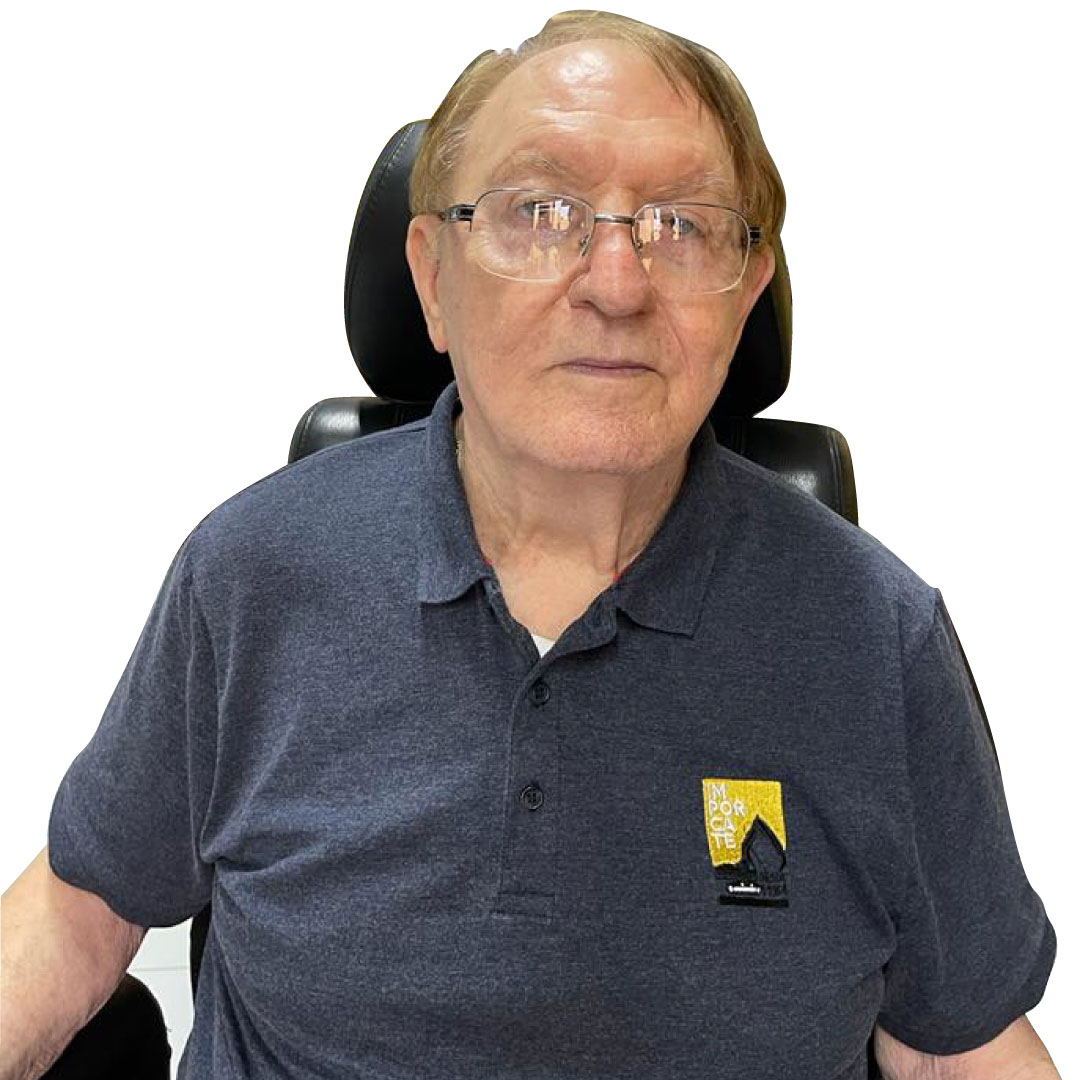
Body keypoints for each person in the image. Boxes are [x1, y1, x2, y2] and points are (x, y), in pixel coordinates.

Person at [0, 10, 1060, 1079]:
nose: (616, 284)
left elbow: (956, 1046)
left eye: (682, 225)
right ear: (433, 279)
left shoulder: (877, 639)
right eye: (541, 213)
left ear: (746, 293)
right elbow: (76, 915)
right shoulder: (251, 575)